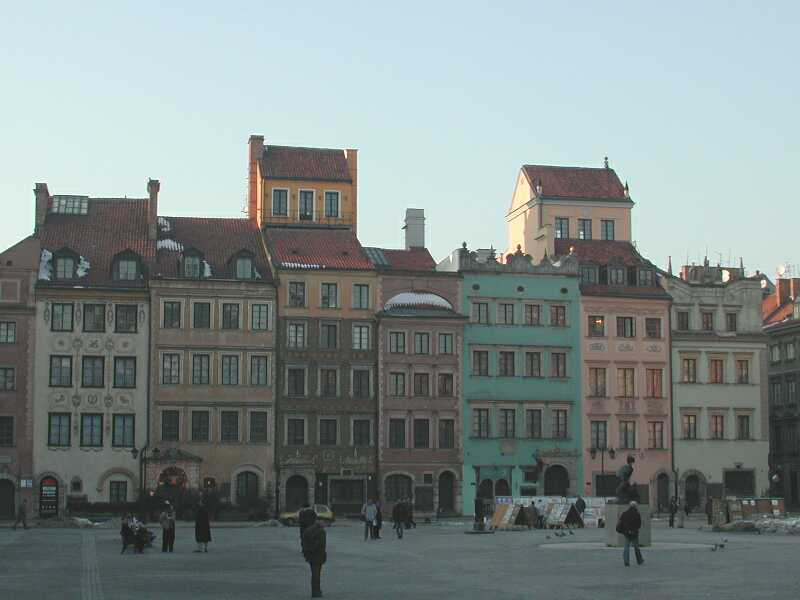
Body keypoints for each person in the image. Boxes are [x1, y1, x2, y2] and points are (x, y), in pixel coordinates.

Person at [301, 510, 327, 598]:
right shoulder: (320, 531)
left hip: (313, 556)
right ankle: (316, 591)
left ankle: (316, 590)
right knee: (316, 575)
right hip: (317, 555)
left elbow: (304, 541)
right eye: (323, 521)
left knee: (315, 574)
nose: (325, 523)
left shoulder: (310, 530)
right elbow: (320, 544)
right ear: (319, 521)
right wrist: (315, 548)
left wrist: (307, 552)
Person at [618, 501, 644, 567]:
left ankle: (626, 561)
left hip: (627, 533)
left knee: (626, 547)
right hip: (634, 533)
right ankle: (639, 560)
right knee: (636, 547)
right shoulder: (637, 514)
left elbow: (621, 522)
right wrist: (635, 529)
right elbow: (639, 524)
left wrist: (626, 530)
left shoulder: (625, 513)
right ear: (635, 506)